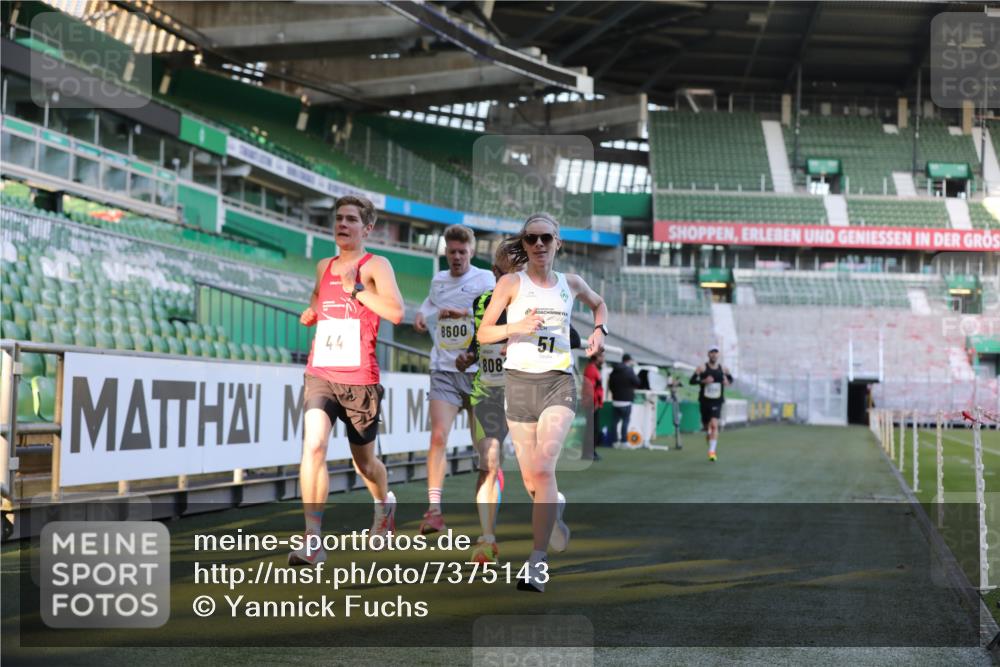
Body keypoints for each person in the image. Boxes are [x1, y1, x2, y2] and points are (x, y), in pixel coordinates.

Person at [477, 212, 608, 592]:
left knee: (545, 469)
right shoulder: (510, 283)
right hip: (519, 384)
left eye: (545, 238)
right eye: (531, 238)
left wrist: (599, 329)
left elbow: (599, 304)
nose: (538, 244)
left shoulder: (571, 283)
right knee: (532, 480)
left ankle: (537, 562)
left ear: (557, 243)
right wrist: (515, 327)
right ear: (524, 243)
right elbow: (484, 333)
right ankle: (555, 511)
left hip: (558, 383)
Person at [289, 196, 405, 566]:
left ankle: (383, 504)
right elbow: (318, 299)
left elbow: (396, 312)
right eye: (339, 218)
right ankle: (312, 540)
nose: (343, 224)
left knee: (365, 464)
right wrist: (311, 312)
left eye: (351, 219)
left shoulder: (377, 266)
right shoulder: (323, 265)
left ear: (367, 228)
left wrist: (356, 288)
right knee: (314, 447)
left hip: (360, 380)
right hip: (321, 371)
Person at [413, 225, 495, 534]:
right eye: (452, 252)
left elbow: (494, 315)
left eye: (462, 252)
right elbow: (432, 301)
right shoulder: (438, 280)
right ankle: (434, 510)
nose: (457, 257)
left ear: (471, 252)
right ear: (445, 252)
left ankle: (486, 525)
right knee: (437, 437)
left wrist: (462, 313)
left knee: (485, 453)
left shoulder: (485, 280)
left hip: (479, 373)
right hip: (444, 371)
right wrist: (421, 314)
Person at [457, 244, 521, 564]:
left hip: (526, 393)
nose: (514, 281)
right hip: (488, 392)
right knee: (489, 459)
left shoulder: (534, 301)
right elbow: (477, 340)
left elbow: (571, 337)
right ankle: (486, 539)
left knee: (535, 473)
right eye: (508, 274)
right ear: (495, 274)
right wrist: (469, 355)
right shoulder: (481, 302)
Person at [689, 347, 733, 462]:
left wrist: (727, 382)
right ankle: (709, 436)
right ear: (708, 354)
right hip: (704, 401)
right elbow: (691, 381)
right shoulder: (702, 368)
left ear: (718, 355)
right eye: (712, 352)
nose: (714, 355)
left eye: (716, 352)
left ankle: (712, 452)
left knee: (714, 425)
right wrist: (703, 381)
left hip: (717, 401)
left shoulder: (723, 369)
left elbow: (731, 380)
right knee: (706, 426)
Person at [609, 354, 641, 447]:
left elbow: (610, 385)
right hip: (626, 401)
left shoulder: (614, 370)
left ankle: (614, 441)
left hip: (615, 400)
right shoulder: (629, 370)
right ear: (629, 360)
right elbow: (637, 382)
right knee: (625, 421)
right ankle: (624, 441)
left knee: (614, 422)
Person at [582, 349, 605, 460]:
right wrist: (593, 403)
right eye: (602, 357)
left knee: (593, 429)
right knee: (591, 430)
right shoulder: (591, 369)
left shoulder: (593, 369)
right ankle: (588, 453)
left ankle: (591, 452)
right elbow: (589, 389)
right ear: (596, 358)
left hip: (594, 403)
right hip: (592, 404)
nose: (603, 359)